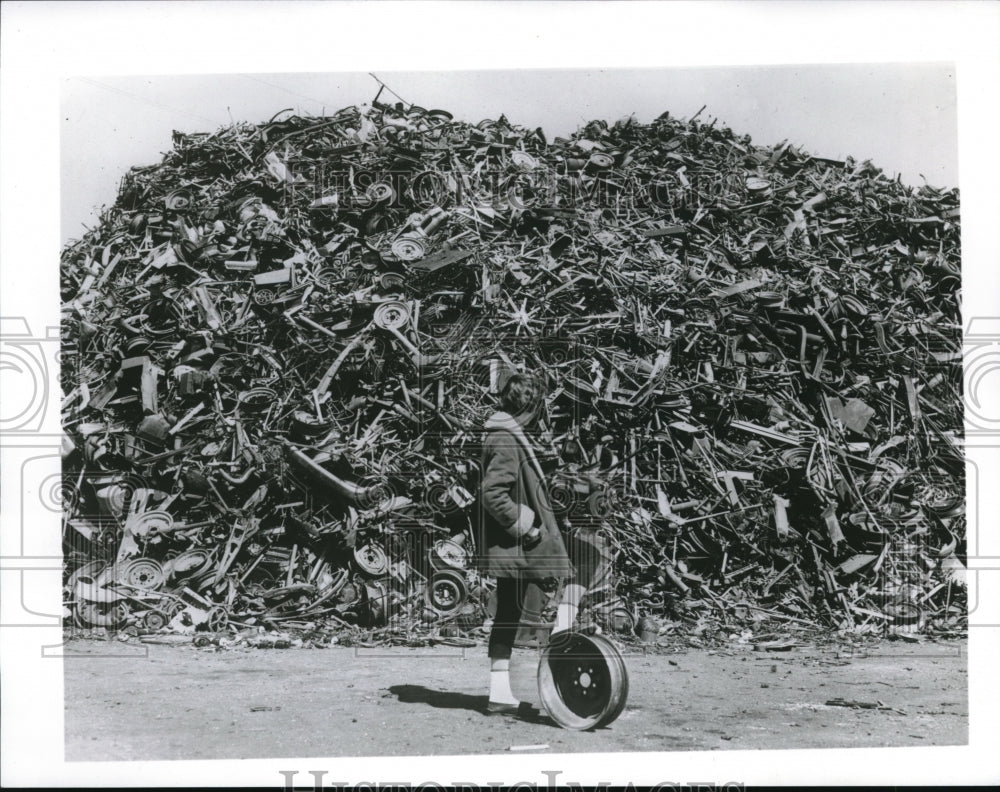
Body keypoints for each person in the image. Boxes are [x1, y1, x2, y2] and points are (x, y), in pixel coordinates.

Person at [476, 372, 573, 714]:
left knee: (508, 612)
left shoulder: (506, 434)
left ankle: (500, 694)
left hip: (513, 547)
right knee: (573, 586)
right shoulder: (504, 438)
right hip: (519, 544)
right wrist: (526, 527)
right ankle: (567, 677)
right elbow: (492, 493)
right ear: (530, 404)